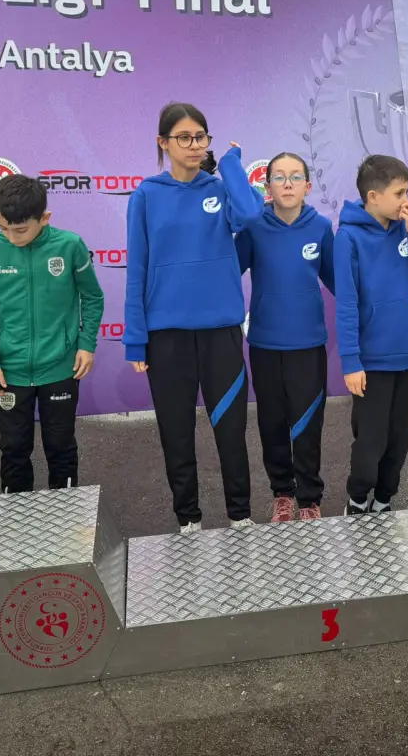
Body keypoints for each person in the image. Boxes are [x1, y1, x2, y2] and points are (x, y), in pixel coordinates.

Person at [125, 102, 264, 533]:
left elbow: (250, 213)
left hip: (221, 333)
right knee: (176, 431)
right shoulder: (147, 195)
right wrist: (136, 339)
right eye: (183, 137)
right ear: (163, 143)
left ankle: (240, 514)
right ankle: (188, 518)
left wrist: (231, 165)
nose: (193, 145)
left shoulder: (221, 189)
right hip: (167, 338)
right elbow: (137, 269)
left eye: (200, 136)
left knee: (231, 429)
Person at [0, 174, 105, 494]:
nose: (11, 237)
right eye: (3, 228)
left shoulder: (69, 245)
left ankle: (67, 512)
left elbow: (92, 297)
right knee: (14, 448)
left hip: (59, 367)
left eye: (20, 230)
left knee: (60, 446)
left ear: (44, 218)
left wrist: (86, 343)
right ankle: (19, 518)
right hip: (9, 370)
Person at [235, 153, 335, 522]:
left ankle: (309, 499)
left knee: (307, 424)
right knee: (272, 423)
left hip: (308, 345)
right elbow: (227, 271)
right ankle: (282, 494)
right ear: (268, 186)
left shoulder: (321, 227)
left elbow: (339, 282)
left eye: (295, 177)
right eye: (279, 177)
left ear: (307, 186)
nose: (288, 183)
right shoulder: (253, 227)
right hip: (265, 343)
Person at [336, 154, 408, 516]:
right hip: (371, 362)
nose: (407, 200)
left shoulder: (407, 229)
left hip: (406, 356)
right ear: (373, 196)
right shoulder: (348, 237)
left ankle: (384, 500)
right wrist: (351, 362)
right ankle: (357, 498)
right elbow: (346, 302)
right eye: (400, 193)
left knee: (399, 439)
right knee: (371, 442)